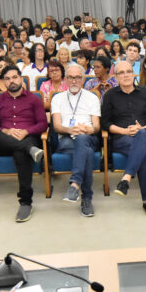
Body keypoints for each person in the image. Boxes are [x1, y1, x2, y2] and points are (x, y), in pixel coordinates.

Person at [0, 66, 47, 222]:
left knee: (21, 152)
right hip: (5, 141)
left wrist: (26, 131)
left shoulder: (34, 99)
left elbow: (43, 124)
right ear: (4, 82)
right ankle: (29, 149)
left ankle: (25, 202)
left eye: (15, 77)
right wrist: (6, 131)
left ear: (21, 78)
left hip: (28, 136)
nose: (12, 81)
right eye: (7, 78)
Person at [101, 61, 146, 218]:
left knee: (141, 136)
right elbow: (105, 123)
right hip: (121, 138)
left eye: (129, 71)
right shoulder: (109, 95)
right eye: (121, 72)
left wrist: (142, 128)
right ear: (116, 76)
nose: (126, 75)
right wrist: (124, 131)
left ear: (134, 74)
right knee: (142, 153)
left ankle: (126, 178)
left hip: (145, 135)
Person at [51, 65, 102, 216]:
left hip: (89, 136)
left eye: (78, 77)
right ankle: (86, 198)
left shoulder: (92, 97)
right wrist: (70, 130)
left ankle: (75, 183)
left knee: (83, 140)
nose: (74, 81)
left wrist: (89, 129)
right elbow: (57, 126)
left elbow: (97, 126)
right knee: (86, 151)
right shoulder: (57, 98)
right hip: (67, 138)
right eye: (71, 77)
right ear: (65, 79)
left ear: (83, 79)